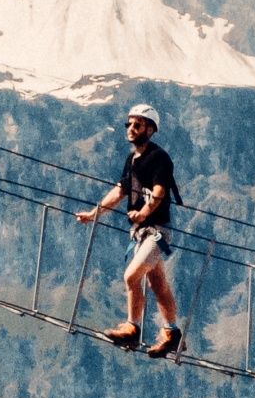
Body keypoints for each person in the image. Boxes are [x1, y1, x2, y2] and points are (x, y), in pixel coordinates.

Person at [76, 103, 183, 357]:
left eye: (138, 124)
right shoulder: (132, 160)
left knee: (131, 277)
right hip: (141, 233)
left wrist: (143, 213)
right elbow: (120, 191)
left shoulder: (159, 158)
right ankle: (172, 333)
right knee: (157, 283)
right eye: (129, 124)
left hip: (157, 232)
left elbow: (159, 191)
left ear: (150, 129)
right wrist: (94, 213)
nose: (131, 128)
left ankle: (132, 327)